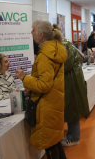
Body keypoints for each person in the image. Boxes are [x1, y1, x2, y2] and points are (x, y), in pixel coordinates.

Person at [15, 19, 68, 158]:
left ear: (41, 35)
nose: (31, 32)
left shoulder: (45, 55)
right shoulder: (55, 49)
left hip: (45, 105)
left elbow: (44, 85)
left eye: (33, 30)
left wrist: (24, 78)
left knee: (50, 145)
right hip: (53, 103)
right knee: (54, 142)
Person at [53, 25, 90, 147]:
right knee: (71, 110)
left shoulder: (64, 44)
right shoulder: (65, 43)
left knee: (72, 110)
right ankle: (72, 135)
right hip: (71, 80)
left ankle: (74, 138)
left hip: (71, 81)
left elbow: (66, 64)